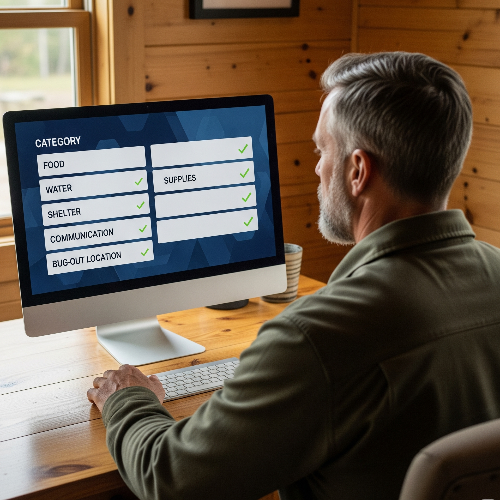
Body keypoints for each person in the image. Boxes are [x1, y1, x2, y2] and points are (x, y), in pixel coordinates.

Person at [88, 52, 500, 500]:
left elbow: (171, 480)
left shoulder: (315, 337)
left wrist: (126, 398)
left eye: (323, 150)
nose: (319, 168)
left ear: (358, 171)